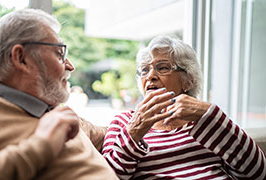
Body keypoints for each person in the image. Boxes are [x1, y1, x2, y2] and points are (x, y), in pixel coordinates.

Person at [0, 9, 117, 180]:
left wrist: (137, 124)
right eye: (59, 54)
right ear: (21, 58)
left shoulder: (59, 116)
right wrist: (40, 146)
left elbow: (111, 133)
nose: (70, 66)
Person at [102, 36, 266, 179]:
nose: (150, 76)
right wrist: (136, 129)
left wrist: (208, 114)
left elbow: (257, 173)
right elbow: (106, 176)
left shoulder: (207, 122)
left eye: (163, 67)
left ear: (188, 80)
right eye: (144, 70)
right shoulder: (124, 122)